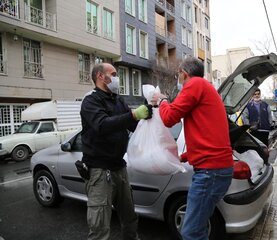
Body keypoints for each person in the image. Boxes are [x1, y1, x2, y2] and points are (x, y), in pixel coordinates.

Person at [152, 57, 234, 240]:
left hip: (209, 173)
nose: (178, 78)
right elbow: (210, 133)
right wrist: (187, 155)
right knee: (199, 228)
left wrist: (162, 101)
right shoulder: (206, 88)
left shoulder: (194, 85)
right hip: (217, 170)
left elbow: (169, 118)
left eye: (178, 74)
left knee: (190, 232)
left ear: (184, 73)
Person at [80, 63, 152, 240]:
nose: (117, 78)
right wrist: (134, 115)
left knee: (130, 217)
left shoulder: (118, 100)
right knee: (99, 226)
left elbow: (132, 125)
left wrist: (151, 112)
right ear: (100, 76)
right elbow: (102, 125)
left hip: (119, 168)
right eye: (113, 74)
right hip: (99, 171)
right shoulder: (91, 101)